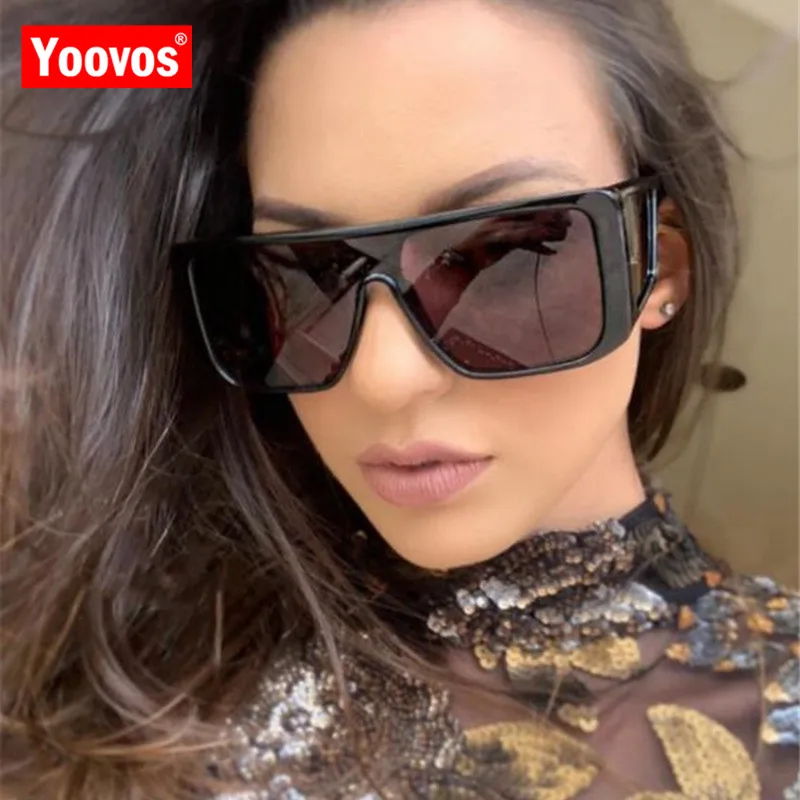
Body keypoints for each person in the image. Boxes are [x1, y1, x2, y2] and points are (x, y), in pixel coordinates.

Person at [1, 0, 798, 798]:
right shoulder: (148, 666)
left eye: (502, 258)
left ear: (656, 265)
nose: (381, 375)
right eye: (305, 274)